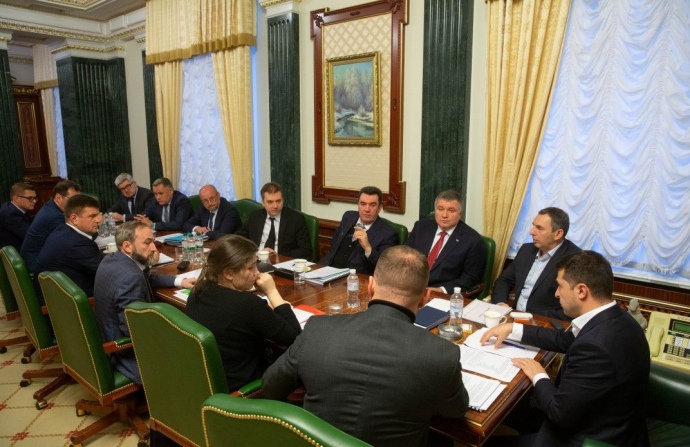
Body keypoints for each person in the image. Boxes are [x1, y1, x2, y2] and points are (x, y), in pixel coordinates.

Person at [263, 245, 469, 447]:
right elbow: (455, 411)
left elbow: (271, 386)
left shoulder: (317, 329)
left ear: (370, 286)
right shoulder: (442, 354)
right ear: (425, 298)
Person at [481, 251, 650, 447]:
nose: (556, 293)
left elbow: (560, 414)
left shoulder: (596, 348)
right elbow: (564, 339)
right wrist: (514, 328)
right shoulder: (616, 317)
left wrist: (539, 375)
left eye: (560, 286)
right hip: (605, 416)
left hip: (590, 438)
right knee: (516, 413)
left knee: (489, 443)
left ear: (581, 291)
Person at [186, 235, 301, 391]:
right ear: (228, 273)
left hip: (208, 381)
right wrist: (272, 292)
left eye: (256, 265)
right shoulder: (246, 304)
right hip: (242, 388)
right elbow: (295, 338)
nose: (257, 272)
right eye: (250, 268)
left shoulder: (198, 290)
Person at [94, 221, 195, 384]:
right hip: (125, 354)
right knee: (192, 345)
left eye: (153, 241)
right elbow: (133, 330)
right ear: (127, 246)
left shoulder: (112, 259)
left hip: (105, 336)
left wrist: (179, 281)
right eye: (147, 243)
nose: (154, 248)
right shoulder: (131, 278)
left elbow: (145, 277)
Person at [491, 207, 581, 320]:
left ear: (558, 234)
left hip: (545, 321)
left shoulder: (575, 259)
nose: (531, 232)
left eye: (539, 228)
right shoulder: (526, 250)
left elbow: (575, 307)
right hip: (514, 315)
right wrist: (500, 304)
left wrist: (532, 318)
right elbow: (504, 280)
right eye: (533, 226)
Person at [406, 189, 486, 293]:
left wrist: (441, 290)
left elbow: (469, 278)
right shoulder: (421, 227)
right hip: (409, 285)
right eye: (440, 209)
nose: (444, 215)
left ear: (460, 214)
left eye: (451, 210)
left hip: (439, 292)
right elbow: (404, 256)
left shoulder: (473, 240)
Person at [32, 195, 104, 303]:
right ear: (74, 219)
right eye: (92, 216)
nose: (99, 220)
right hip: (66, 302)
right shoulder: (78, 243)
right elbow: (107, 270)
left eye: (99, 214)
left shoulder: (62, 229)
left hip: (55, 294)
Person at [319, 186, 398, 275]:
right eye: (363, 204)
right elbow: (334, 245)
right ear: (358, 205)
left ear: (380, 207)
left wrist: (368, 248)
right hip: (328, 269)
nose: (367, 209)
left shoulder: (388, 234)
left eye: (372, 205)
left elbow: (384, 267)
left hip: (356, 277)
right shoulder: (348, 217)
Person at [236, 182, 311, 259]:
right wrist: (257, 253)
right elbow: (237, 239)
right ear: (263, 203)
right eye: (270, 202)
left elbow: (305, 250)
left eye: (278, 201)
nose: (275, 206)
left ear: (283, 200)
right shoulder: (255, 216)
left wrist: (276, 256)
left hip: (281, 261)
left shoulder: (295, 219)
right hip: (255, 259)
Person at [21, 180, 81, 272]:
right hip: (37, 266)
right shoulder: (54, 216)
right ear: (58, 198)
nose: (77, 204)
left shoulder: (50, 206)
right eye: (73, 200)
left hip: (36, 259)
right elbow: (72, 241)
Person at [0, 182, 37, 251]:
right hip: (17, 252)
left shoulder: (11, 207)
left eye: (35, 198)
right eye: (30, 198)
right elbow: (31, 237)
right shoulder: (11, 215)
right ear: (16, 198)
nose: (34, 201)